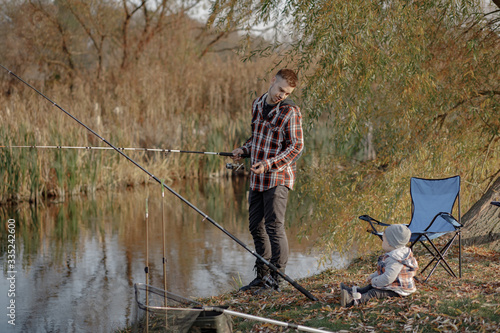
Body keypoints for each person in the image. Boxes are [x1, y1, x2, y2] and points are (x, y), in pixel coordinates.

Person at [232, 68, 304, 293]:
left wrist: (269, 163)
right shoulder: (257, 104)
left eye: (287, 93)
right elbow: (257, 139)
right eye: (281, 89)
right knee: (255, 226)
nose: (282, 95)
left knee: (274, 227)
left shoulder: (290, 112)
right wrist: (243, 150)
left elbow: (296, 147)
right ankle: (262, 277)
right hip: (258, 177)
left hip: (278, 176)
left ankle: (277, 279)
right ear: (273, 80)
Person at [339, 224, 419, 307]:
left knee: (374, 292)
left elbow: (388, 278)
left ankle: (352, 301)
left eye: (384, 240)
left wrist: (374, 281)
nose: (382, 242)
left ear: (389, 244)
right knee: (372, 286)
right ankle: (354, 291)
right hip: (395, 283)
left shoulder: (395, 260)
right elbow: (385, 270)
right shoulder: (396, 253)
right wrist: (374, 276)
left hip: (399, 289)